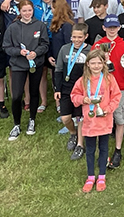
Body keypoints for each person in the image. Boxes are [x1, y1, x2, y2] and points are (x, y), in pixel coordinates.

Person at [70, 49, 121, 192]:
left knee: (104, 148)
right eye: (93, 63)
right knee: (91, 149)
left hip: (104, 118)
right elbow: (74, 96)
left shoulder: (109, 79)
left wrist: (109, 109)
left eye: (99, 63)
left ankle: (102, 176)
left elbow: (116, 96)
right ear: (87, 64)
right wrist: (83, 99)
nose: (96, 66)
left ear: (103, 64)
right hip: (89, 121)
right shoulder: (82, 81)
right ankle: (90, 176)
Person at [3, 0, 50, 140]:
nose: (27, 13)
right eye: (24, 11)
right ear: (19, 11)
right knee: (17, 95)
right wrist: (19, 52)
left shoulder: (40, 25)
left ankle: (32, 120)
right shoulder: (12, 27)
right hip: (18, 65)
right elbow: (6, 47)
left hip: (35, 64)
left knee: (34, 92)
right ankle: (16, 124)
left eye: (30, 10)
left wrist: (36, 52)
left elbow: (45, 44)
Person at [92, 15, 124, 169]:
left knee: (120, 119)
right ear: (104, 28)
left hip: (119, 88)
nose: (112, 30)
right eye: (109, 27)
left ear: (119, 28)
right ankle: (103, 152)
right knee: (102, 120)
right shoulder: (97, 46)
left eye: (114, 27)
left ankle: (117, 149)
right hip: (101, 89)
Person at [54, 22, 91, 160]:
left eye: (79, 37)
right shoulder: (64, 49)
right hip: (66, 88)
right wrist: (57, 89)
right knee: (66, 118)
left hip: (82, 90)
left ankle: (80, 145)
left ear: (85, 36)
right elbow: (58, 70)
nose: (76, 40)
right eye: (74, 37)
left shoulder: (90, 50)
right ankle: (73, 133)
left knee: (80, 117)